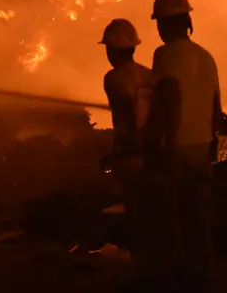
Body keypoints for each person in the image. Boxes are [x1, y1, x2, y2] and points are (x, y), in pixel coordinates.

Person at [146, 0, 223, 292]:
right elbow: (217, 113)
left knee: (167, 217)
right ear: (187, 20)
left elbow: (167, 101)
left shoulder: (163, 55)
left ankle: (169, 280)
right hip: (202, 147)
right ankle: (201, 278)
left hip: (174, 146)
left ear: (163, 24)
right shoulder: (207, 58)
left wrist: (153, 145)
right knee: (198, 219)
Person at [97, 18, 158, 289]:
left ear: (113, 50)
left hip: (132, 153)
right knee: (152, 211)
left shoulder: (113, 79)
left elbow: (129, 114)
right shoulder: (149, 75)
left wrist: (123, 150)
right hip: (154, 152)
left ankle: (141, 273)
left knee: (136, 211)